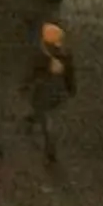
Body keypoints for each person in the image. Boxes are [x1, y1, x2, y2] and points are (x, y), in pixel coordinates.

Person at [22, 23, 76, 164]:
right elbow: (70, 74)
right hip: (57, 92)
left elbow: (31, 73)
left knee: (46, 119)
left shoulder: (41, 56)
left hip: (43, 92)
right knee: (47, 114)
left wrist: (25, 84)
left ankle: (50, 148)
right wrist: (71, 88)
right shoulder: (66, 55)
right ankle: (33, 119)